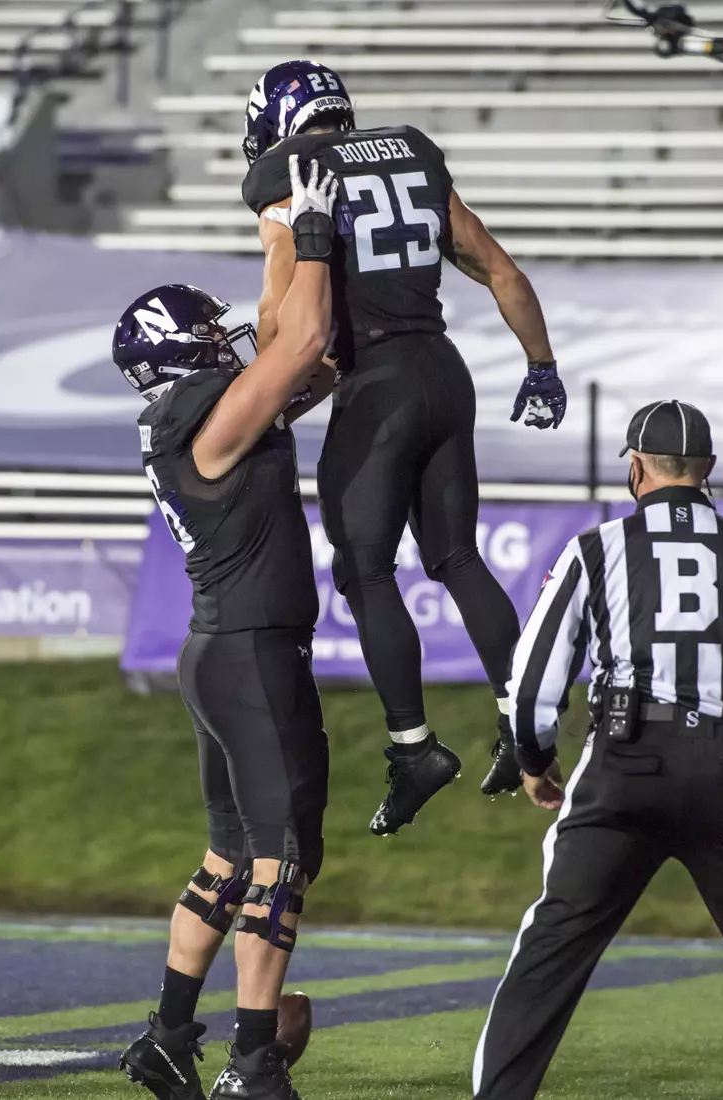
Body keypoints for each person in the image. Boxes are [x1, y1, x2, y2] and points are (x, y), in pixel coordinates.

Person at [241, 59, 566, 836]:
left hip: (378, 385)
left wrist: (264, 393)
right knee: (456, 558)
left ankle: (413, 749)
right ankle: (522, 724)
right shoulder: (410, 151)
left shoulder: (288, 173)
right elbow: (500, 268)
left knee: (364, 569)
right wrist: (542, 366)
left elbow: (285, 310)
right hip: (444, 373)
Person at [473, 399, 723, 1100]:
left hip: (626, 763)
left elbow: (532, 682)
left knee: (548, 952)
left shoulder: (597, 547)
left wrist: (532, 758)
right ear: (706, 471)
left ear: (636, 469)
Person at [112, 158, 338, 1100]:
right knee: (281, 857)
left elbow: (307, 359)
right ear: (177, 356)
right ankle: (250, 1061)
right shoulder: (198, 415)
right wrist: (305, 235)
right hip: (249, 650)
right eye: (206, 335)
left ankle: (167, 1036)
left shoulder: (188, 415)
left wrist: (278, 241)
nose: (224, 341)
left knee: (232, 855)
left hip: (223, 648)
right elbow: (303, 344)